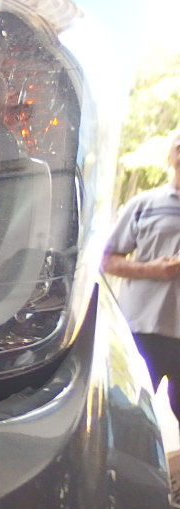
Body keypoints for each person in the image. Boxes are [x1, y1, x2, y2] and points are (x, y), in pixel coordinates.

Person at [102, 133, 180, 422]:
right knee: (127, 414)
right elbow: (106, 260)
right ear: (170, 156)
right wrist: (153, 270)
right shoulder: (145, 204)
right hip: (143, 328)